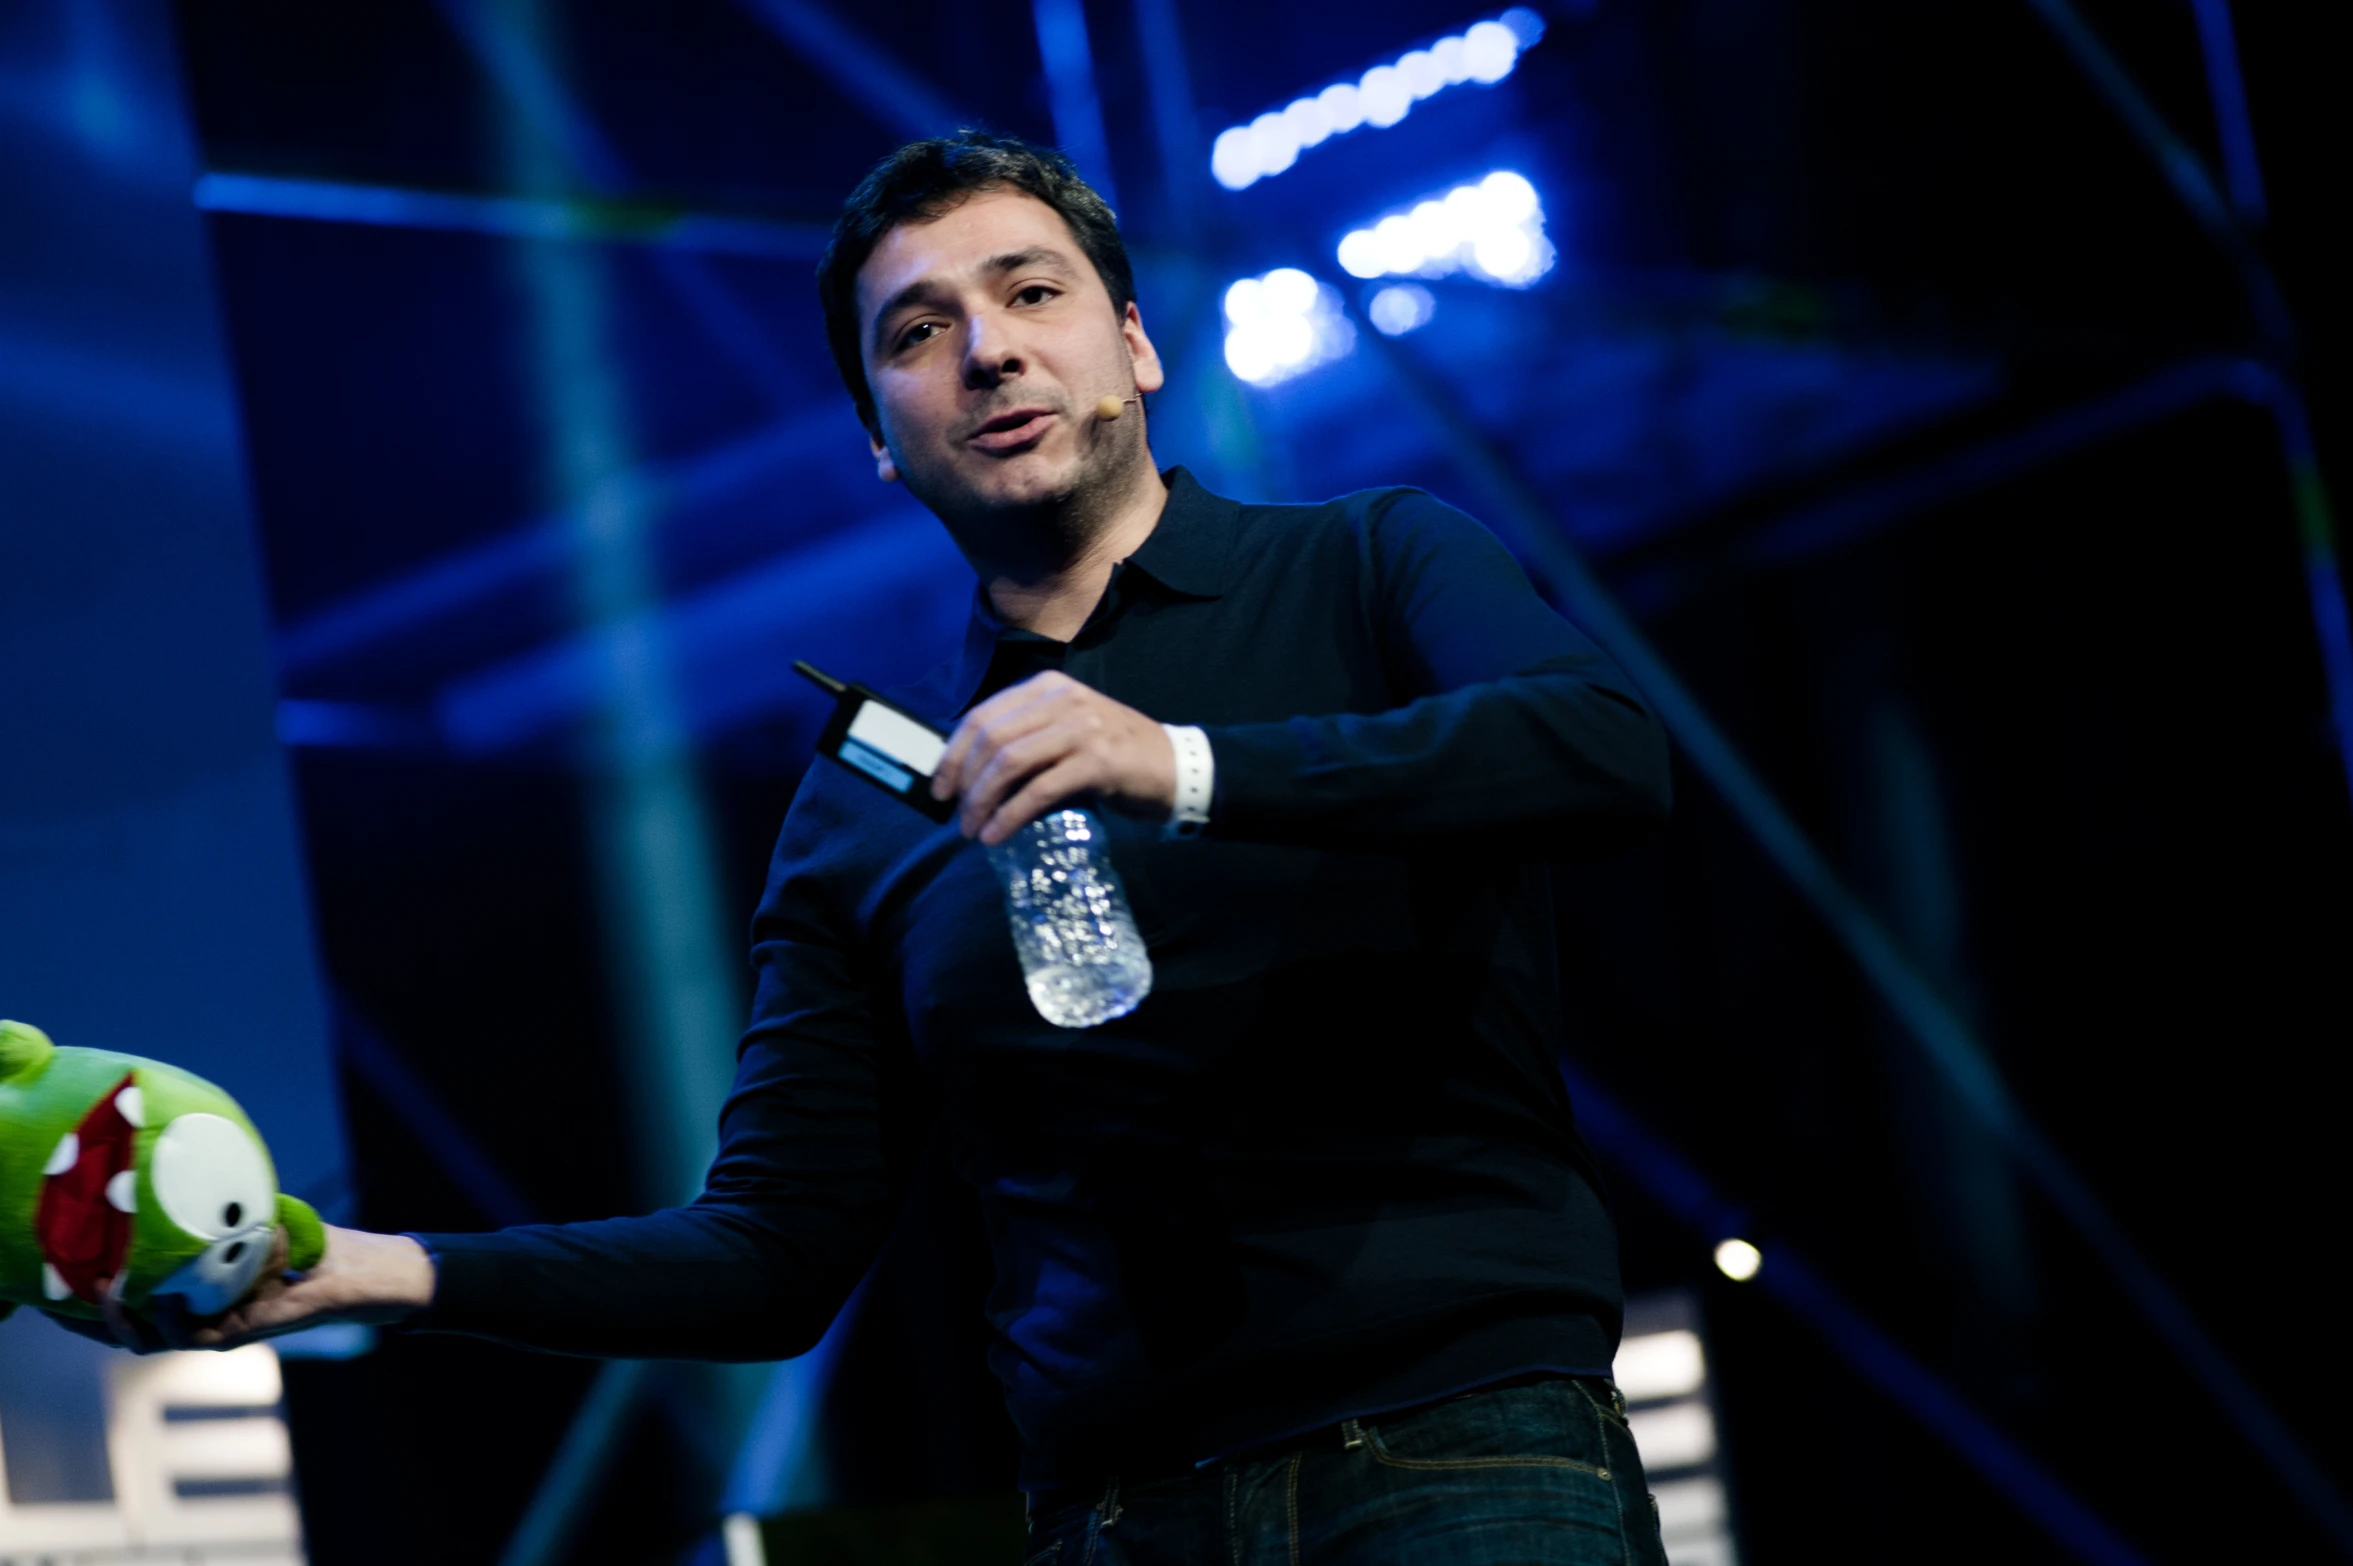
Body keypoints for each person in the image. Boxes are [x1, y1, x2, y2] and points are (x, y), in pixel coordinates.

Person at [139, 132, 1676, 1563]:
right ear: (882, 437)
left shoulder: (1368, 562)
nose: (989, 348)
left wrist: (1184, 763)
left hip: (1462, 1459)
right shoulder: (870, 802)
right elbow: (770, 1253)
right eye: (917, 331)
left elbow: (1603, 747)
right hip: (1113, 1514)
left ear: (1132, 347)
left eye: (1030, 293)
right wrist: (383, 1269)